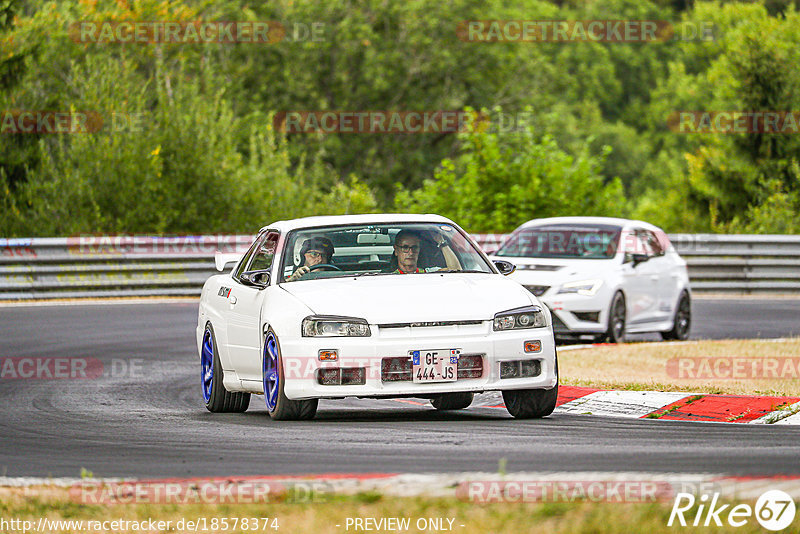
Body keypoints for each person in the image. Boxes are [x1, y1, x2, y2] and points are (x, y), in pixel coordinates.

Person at [392, 229, 460, 274]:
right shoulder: (387, 276)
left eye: (415, 247)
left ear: (419, 250)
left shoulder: (429, 272)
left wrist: (441, 242)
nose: (411, 253)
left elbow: (456, 270)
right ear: (396, 250)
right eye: (405, 247)